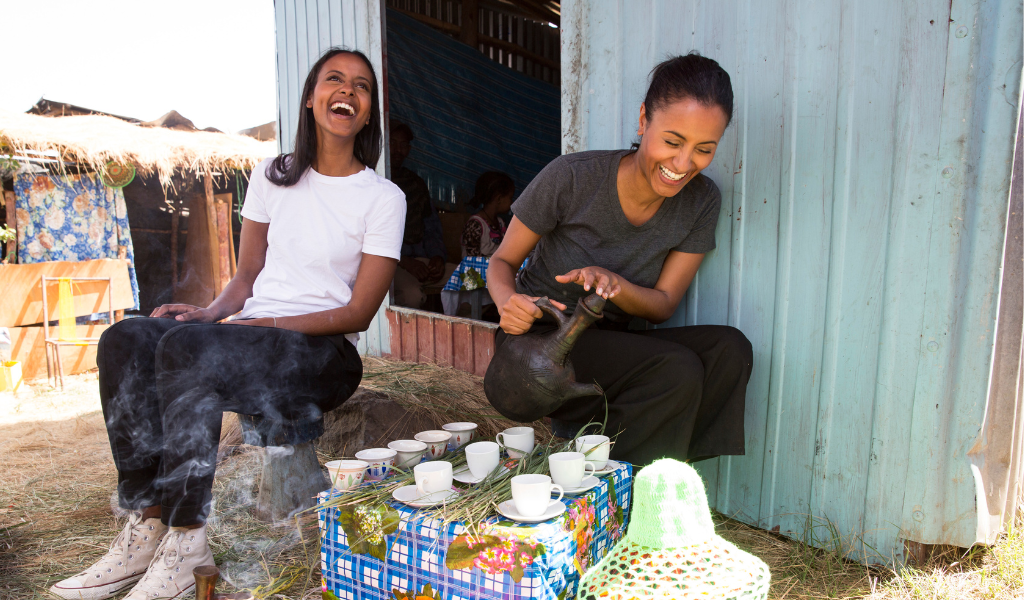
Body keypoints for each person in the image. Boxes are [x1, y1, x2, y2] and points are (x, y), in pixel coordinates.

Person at [49, 48, 405, 600]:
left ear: (367, 113)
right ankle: (147, 523)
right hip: (254, 339)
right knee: (128, 338)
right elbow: (246, 278)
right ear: (311, 96)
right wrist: (212, 313)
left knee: (190, 350)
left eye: (361, 87)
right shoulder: (273, 175)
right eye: (334, 79)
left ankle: (189, 540)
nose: (348, 91)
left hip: (323, 355)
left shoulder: (382, 198)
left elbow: (359, 311)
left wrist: (269, 322)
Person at [485, 53, 752, 467]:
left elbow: (663, 304)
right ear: (644, 120)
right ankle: (623, 489)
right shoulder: (572, 177)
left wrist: (614, 283)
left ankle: (655, 475)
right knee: (675, 369)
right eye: (673, 141)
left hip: (613, 347)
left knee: (729, 350)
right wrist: (507, 304)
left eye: (704, 149)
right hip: (538, 348)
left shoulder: (702, 201)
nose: (683, 165)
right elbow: (501, 261)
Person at [389, 120, 455, 308]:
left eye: (403, 145)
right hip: (392, 264)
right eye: (392, 143)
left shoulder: (415, 183)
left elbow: (431, 226)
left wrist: (437, 258)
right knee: (411, 296)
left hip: (423, 261)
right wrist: (405, 261)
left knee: (470, 280)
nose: (397, 150)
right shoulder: (373, 180)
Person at [461, 171, 514, 258]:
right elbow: (472, 260)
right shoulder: (475, 225)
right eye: (510, 198)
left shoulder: (500, 223)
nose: (512, 203)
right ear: (499, 199)